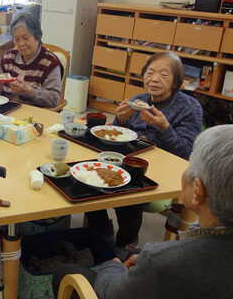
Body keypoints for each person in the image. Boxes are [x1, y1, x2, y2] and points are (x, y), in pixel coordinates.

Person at [52, 124, 233, 299]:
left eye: (189, 166)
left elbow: (111, 292)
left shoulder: (160, 260)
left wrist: (111, 265)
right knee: (134, 255)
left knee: (64, 273)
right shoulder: (159, 259)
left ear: (198, 192)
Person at [85, 51, 203, 257]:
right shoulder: (138, 100)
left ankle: (126, 242)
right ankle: (101, 228)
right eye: (150, 72)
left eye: (164, 74)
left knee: (131, 191)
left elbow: (186, 152)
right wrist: (119, 121)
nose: (155, 78)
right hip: (132, 159)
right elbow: (118, 138)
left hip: (165, 169)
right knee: (90, 177)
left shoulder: (189, 108)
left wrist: (164, 127)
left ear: (176, 82)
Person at [0, 12, 63, 108]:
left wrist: (27, 90)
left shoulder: (50, 62)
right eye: (17, 39)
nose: (21, 43)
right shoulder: (8, 58)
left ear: (38, 36)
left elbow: (54, 99)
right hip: (5, 111)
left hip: (33, 116)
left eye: (25, 38)